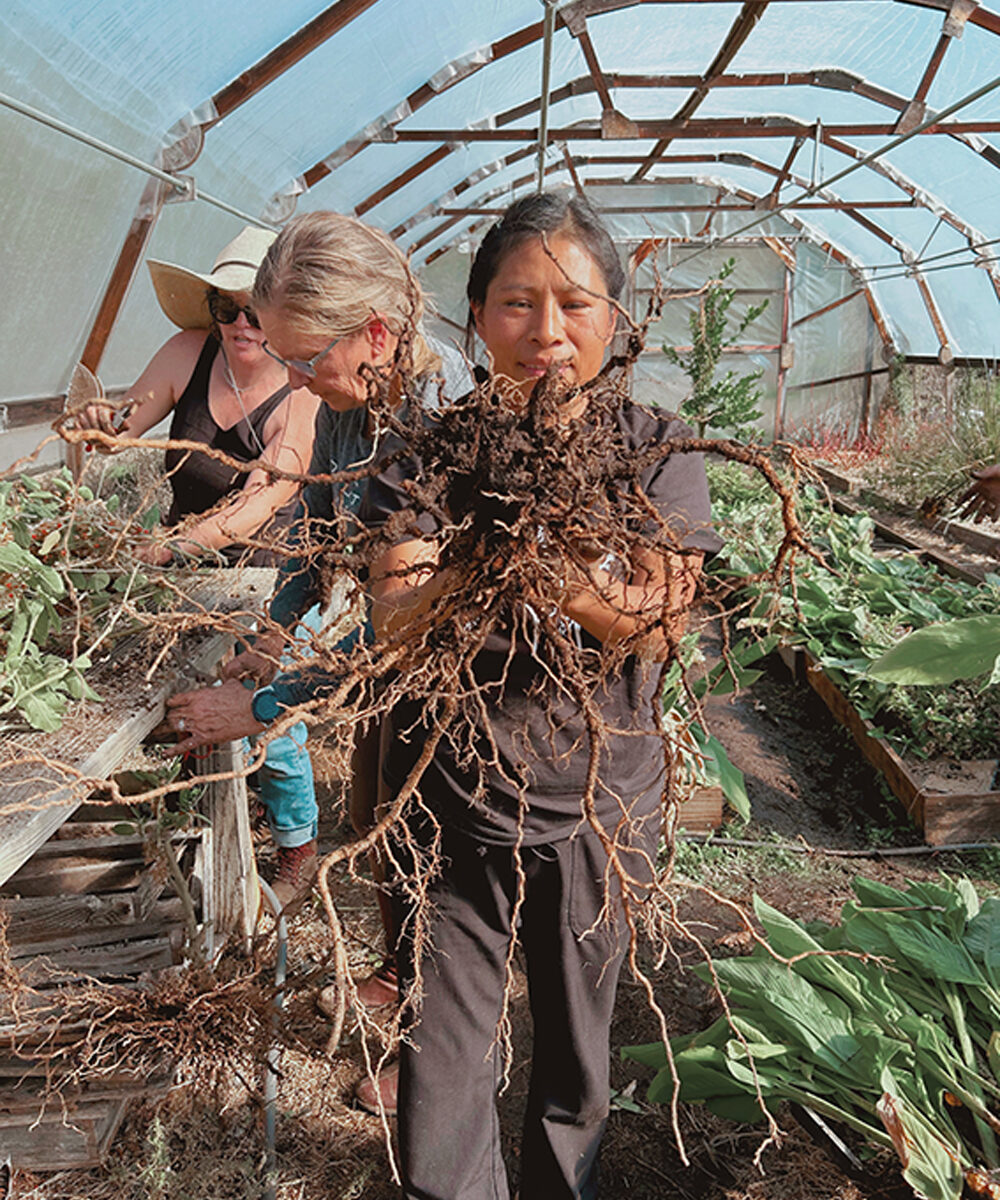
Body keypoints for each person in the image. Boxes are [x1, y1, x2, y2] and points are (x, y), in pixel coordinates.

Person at [362, 193, 719, 1198]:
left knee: (576, 1045)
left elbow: (658, 618)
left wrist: (554, 570)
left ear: (614, 319)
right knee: (442, 1046)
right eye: (518, 302)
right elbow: (397, 612)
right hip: (453, 788)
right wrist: (494, 548)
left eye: (574, 302)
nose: (547, 332)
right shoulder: (426, 451)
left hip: (599, 802)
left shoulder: (657, 445)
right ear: (475, 315)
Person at [163, 211, 471, 988]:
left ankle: (432, 1018)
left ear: (373, 333)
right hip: (394, 653)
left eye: (304, 358)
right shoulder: (349, 406)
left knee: (441, 825)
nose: (293, 379)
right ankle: (402, 969)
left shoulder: (437, 424)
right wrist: (270, 639)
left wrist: (266, 707)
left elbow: (407, 632)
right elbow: (319, 531)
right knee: (381, 810)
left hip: (466, 670)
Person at [78, 227, 322, 909]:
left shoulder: (298, 389)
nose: (241, 325)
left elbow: (264, 498)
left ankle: (296, 849)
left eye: (254, 311)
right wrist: (102, 424)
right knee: (181, 698)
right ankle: (189, 830)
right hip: (187, 573)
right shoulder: (190, 354)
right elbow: (126, 419)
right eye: (226, 309)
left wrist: (169, 549)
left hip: (272, 575)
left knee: (268, 714)